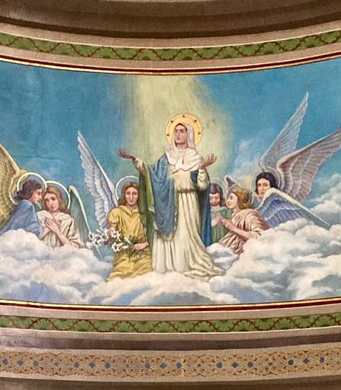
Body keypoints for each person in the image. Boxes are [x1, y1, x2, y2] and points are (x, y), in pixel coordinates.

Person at [118, 116, 221, 279]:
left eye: (182, 131)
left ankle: (186, 266)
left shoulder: (196, 159)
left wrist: (202, 169)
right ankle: (169, 269)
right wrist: (136, 161)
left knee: (186, 236)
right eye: (176, 131)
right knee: (169, 236)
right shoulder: (166, 158)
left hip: (188, 202)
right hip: (168, 202)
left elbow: (202, 187)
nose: (178, 134)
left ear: (189, 134)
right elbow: (151, 174)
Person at [106, 180, 152, 278]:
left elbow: (154, 235)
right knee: (119, 277)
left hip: (143, 254)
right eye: (128, 194)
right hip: (124, 254)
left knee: (146, 275)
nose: (131, 197)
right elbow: (112, 229)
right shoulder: (117, 212)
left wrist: (144, 244)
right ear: (124, 195)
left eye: (134, 194)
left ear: (139, 196)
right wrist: (111, 235)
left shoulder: (145, 213)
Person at [217, 187, 268, 255]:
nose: (228, 200)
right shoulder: (233, 215)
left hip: (245, 254)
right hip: (230, 252)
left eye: (231, 198)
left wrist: (232, 228)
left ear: (240, 199)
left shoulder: (249, 214)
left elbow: (259, 236)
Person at [37, 185, 83, 249]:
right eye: (47, 200)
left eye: (53, 199)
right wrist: (46, 230)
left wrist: (57, 231)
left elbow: (76, 247)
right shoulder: (39, 216)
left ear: (59, 200)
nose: (50, 203)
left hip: (62, 254)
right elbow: (30, 241)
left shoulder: (68, 220)